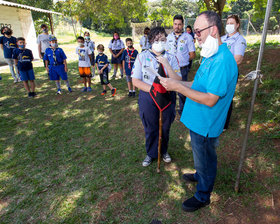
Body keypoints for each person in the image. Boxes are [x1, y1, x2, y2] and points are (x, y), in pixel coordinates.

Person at [159, 11, 238, 212]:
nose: (195, 36)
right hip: (198, 121)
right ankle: (200, 174)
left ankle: (203, 196)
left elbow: (211, 99)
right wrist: (171, 73)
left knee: (205, 158)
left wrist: (176, 87)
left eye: (197, 31)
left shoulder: (222, 60)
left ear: (213, 30)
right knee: (202, 157)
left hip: (206, 124)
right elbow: (196, 84)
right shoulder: (211, 54)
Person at [132, 27, 182, 167]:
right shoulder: (142, 56)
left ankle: (163, 150)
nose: (159, 42)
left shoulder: (171, 57)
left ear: (166, 41)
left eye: (162, 39)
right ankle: (151, 153)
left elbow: (178, 79)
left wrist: (166, 64)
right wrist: (154, 90)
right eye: (156, 40)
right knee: (150, 126)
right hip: (148, 96)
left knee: (165, 126)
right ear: (150, 41)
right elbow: (135, 81)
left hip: (167, 96)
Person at [166, 15, 196, 116]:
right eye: (175, 24)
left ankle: (183, 111)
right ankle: (171, 109)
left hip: (182, 69)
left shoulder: (188, 37)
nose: (177, 26)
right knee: (170, 89)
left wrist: (184, 61)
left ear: (182, 25)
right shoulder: (169, 37)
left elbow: (192, 54)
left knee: (182, 90)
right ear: (173, 24)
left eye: (179, 24)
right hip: (170, 69)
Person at [221, 14, 247, 130]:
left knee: (226, 98)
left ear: (237, 25)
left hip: (229, 73)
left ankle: (224, 124)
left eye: (232, 23)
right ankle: (217, 121)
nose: (229, 25)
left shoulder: (240, 40)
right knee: (217, 95)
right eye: (228, 23)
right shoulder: (222, 38)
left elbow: (238, 59)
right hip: (219, 72)